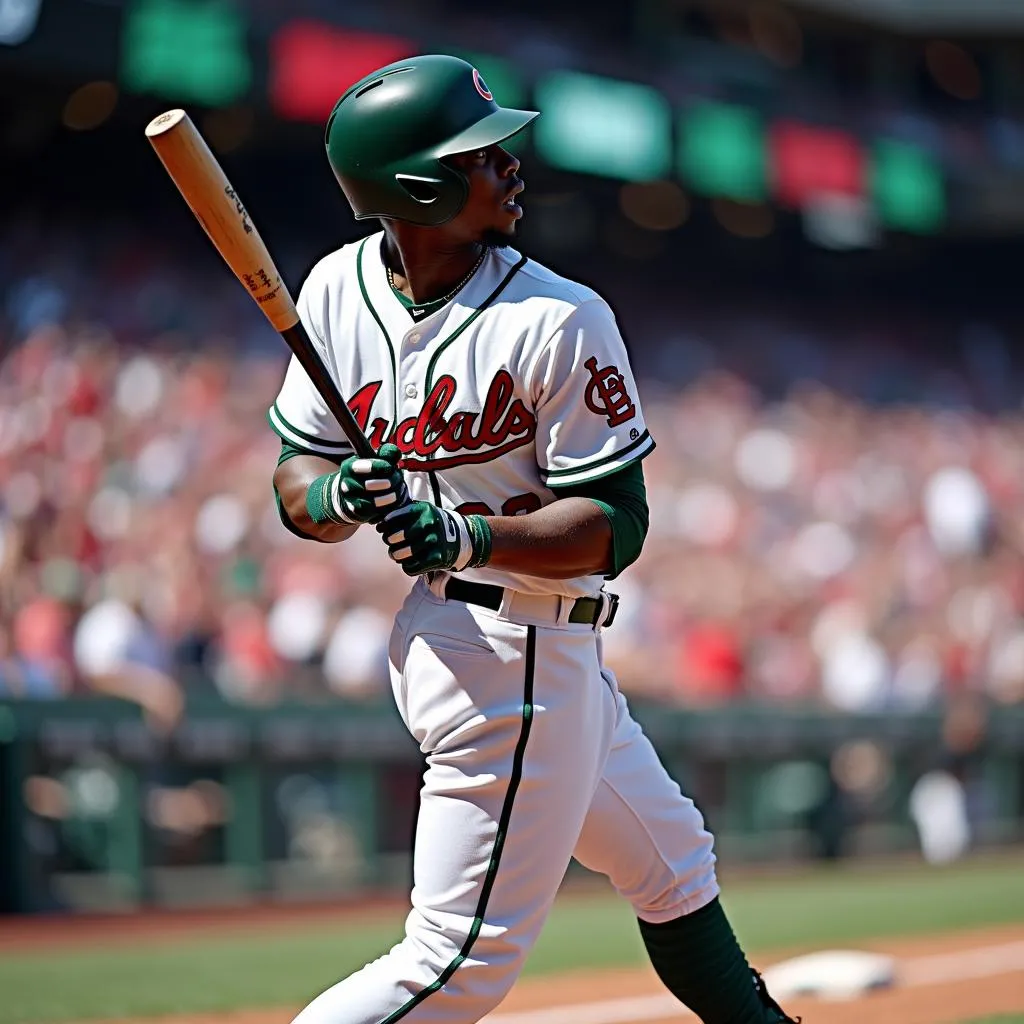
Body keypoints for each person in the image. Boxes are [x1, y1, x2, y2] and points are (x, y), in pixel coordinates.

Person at [271, 54, 798, 1024]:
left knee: (671, 861)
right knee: (455, 962)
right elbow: (295, 483)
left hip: (538, 640)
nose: (510, 163)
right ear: (422, 188)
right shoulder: (337, 291)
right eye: (482, 153)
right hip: (499, 655)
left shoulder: (558, 315)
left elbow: (613, 526)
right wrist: (341, 489)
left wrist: (462, 531)